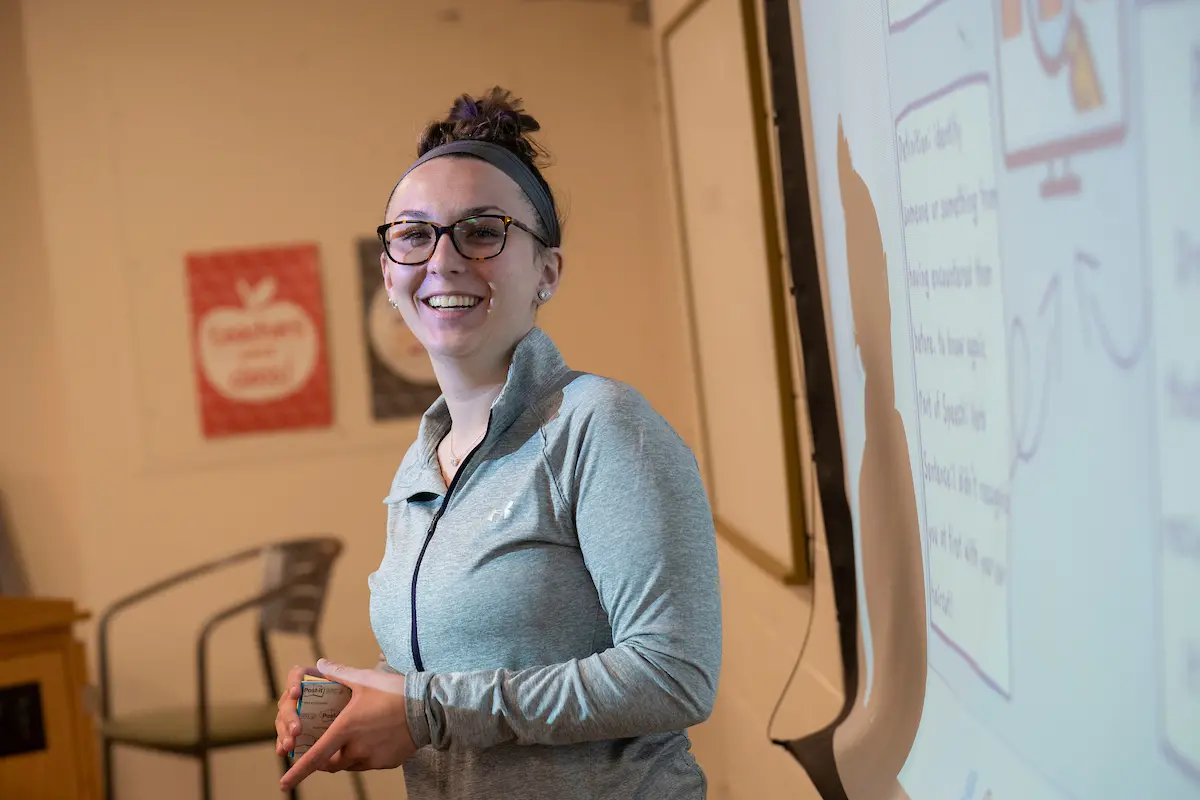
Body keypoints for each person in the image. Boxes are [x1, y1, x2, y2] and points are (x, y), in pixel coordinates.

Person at [274, 87, 722, 799]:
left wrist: (425, 713)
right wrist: (368, 696)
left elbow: (673, 676)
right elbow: (464, 671)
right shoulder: (423, 460)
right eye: (414, 234)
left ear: (547, 270)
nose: (444, 260)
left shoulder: (601, 425)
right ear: (390, 274)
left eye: (482, 231)